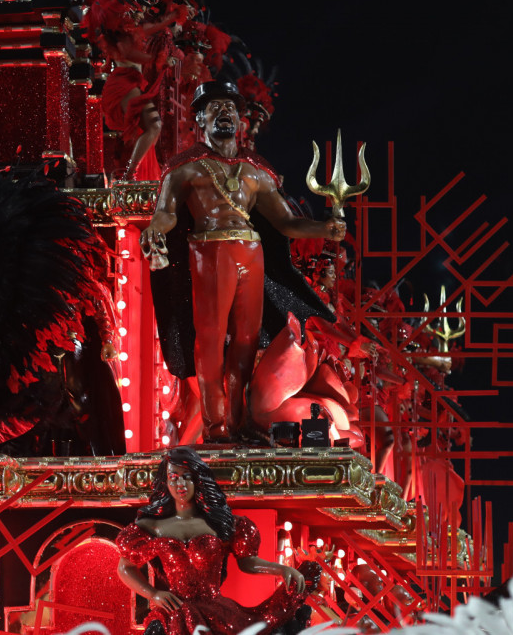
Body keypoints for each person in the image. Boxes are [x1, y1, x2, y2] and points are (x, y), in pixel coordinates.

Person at [140, 80, 345, 442]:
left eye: (230, 108)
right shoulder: (186, 168)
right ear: (199, 119)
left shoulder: (255, 170)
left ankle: (241, 422)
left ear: (240, 120)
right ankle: (217, 426)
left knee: (247, 342)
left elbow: (286, 222)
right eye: (215, 108)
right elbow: (167, 212)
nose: (225, 114)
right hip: (210, 251)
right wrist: (156, 225)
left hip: (251, 254)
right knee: (210, 338)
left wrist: (324, 229)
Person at [116, 447, 309, 635]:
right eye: (174, 477)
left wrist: (282, 569)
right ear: (165, 482)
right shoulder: (153, 527)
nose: (180, 484)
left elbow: (248, 562)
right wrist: (153, 594)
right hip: (174, 611)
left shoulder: (221, 524)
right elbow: (125, 567)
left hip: (215, 611)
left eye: (187, 476)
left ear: (198, 480)